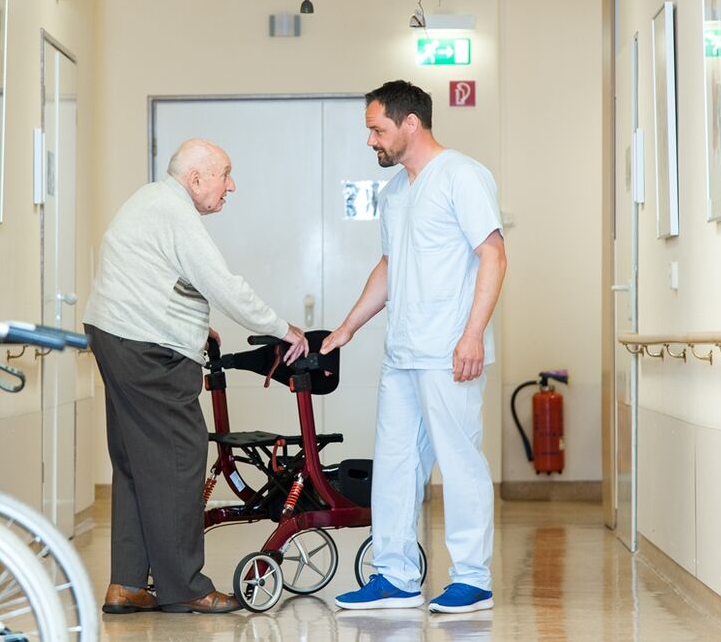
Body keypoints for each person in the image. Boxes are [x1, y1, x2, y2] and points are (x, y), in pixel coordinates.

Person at [83, 138, 309, 615]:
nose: (232, 185)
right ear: (196, 178)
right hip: (147, 348)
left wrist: (189, 322)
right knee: (181, 458)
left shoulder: (152, 200)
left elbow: (146, 272)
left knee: (135, 463)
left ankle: (126, 584)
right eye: (225, 174)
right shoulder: (175, 211)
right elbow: (221, 283)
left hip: (117, 334)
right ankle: (185, 586)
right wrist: (280, 328)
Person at [324, 80, 507, 614]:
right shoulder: (395, 193)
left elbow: (493, 255)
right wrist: (348, 327)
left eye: (377, 129)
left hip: (451, 351)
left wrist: (472, 333)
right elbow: (389, 266)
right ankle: (396, 576)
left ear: (411, 124)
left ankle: (472, 579)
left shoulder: (462, 176)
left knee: (460, 462)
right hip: (402, 352)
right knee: (397, 465)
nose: (371, 141)